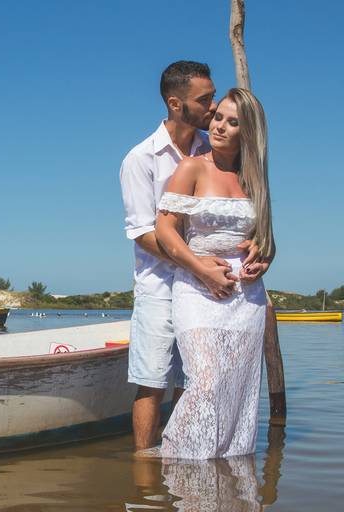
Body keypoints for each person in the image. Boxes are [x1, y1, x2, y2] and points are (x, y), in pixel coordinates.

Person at [155, 88, 274, 458]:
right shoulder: (192, 167)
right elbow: (164, 230)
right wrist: (202, 271)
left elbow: (265, 240)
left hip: (246, 298)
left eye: (232, 122)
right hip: (196, 287)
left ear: (248, 132)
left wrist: (264, 256)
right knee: (206, 381)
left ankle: (228, 472)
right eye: (218, 116)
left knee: (236, 388)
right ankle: (178, 465)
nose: (219, 126)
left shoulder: (254, 179)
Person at [120, 61, 229, 451]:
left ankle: (180, 459)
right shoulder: (141, 159)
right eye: (205, 99)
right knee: (151, 383)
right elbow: (143, 234)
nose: (213, 106)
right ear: (175, 104)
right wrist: (197, 266)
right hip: (159, 289)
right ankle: (144, 473)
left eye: (213, 96)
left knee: (193, 382)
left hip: (205, 290)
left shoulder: (214, 151)